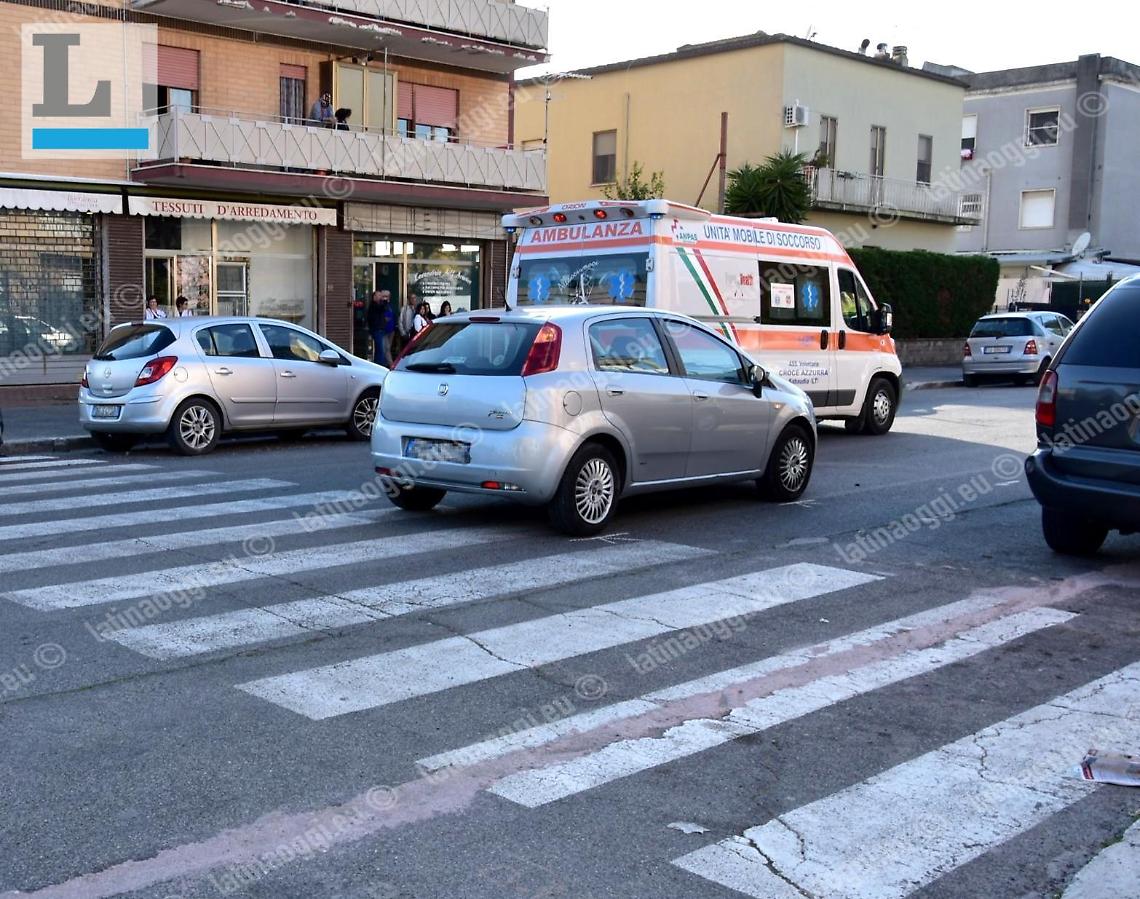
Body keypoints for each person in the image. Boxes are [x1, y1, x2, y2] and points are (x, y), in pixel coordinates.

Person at [366, 289, 396, 366]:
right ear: (374, 297)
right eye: (379, 295)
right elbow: (381, 309)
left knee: (383, 349)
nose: (381, 297)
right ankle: (380, 365)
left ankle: (381, 364)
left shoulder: (380, 305)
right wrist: (385, 301)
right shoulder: (374, 306)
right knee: (381, 350)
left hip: (383, 330)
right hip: (377, 330)